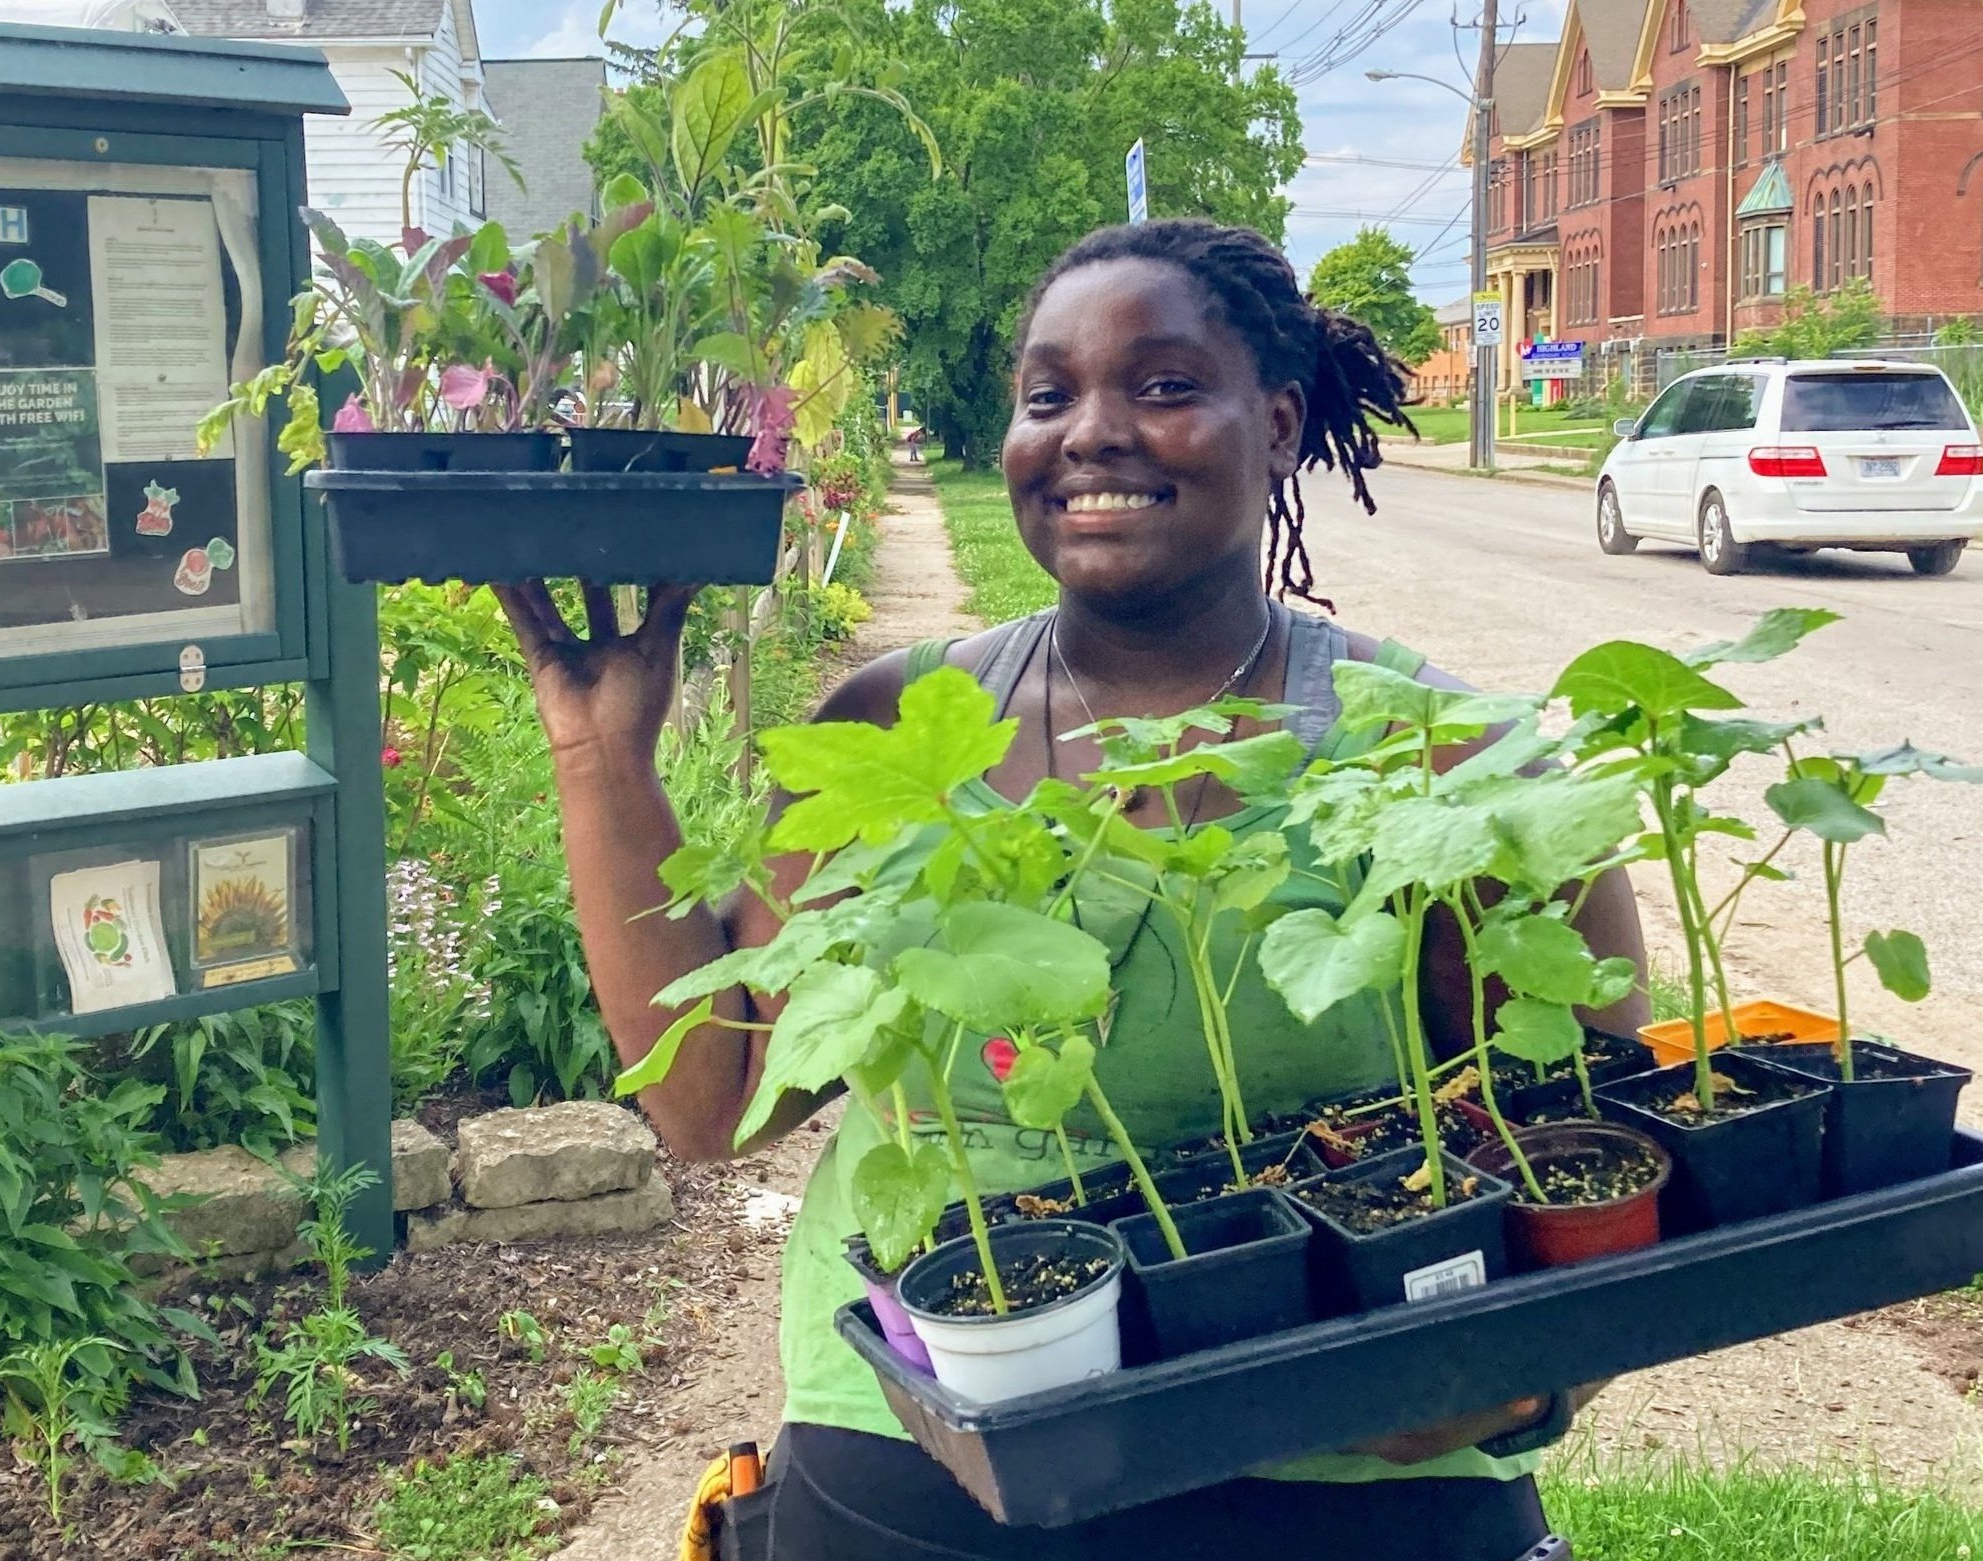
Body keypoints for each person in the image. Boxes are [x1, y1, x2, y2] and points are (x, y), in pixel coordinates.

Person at [496, 219, 1648, 1560]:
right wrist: (596, 750)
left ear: (1276, 425)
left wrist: (1520, 1381)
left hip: (1342, 1462)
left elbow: (1603, 1153)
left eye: (1161, 386)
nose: (1089, 431)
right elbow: (708, 1101)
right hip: (926, 1449)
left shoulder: (1439, 754)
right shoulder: (897, 727)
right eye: (1048, 396)